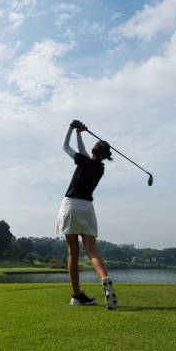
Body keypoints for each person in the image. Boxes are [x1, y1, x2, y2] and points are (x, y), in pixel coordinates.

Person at [56, 119, 117, 310]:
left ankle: (77, 295)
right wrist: (79, 133)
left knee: (73, 252)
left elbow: (65, 147)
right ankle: (104, 279)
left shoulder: (83, 161)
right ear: (105, 155)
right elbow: (84, 154)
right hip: (87, 208)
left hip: (70, 206)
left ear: (93, 151)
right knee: (92, 250)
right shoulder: (100, 168)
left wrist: (71, 128)